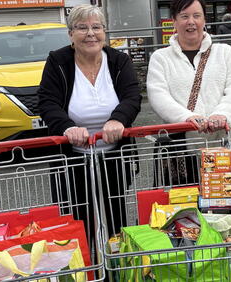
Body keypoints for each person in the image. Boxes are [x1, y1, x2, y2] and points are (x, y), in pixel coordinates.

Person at [37, 4, 142, 235]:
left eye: (96, 27)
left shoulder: (119, 60)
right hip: (73, 157)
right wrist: (67, 127)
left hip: (114, 154)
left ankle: (117, 268)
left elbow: (132, 96)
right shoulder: (58, 61)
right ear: (70, 34)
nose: (90, 33)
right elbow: (47, 102)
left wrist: (117, 120)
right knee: (79, 223)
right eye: (82, 28)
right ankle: (87, 268)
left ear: (105, 31)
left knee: (117, 220)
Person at [147, 0, 231, 184]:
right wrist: (187, 117)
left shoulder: (225, 52)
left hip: (223, 145)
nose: (191, 21)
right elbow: (158, 96)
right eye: (184, 16)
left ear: (204, 20)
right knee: (185, 207)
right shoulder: (161, 58)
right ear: (174, 22)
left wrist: (222, 114)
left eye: (196, 16)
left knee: (224, 207)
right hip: (182, 148)